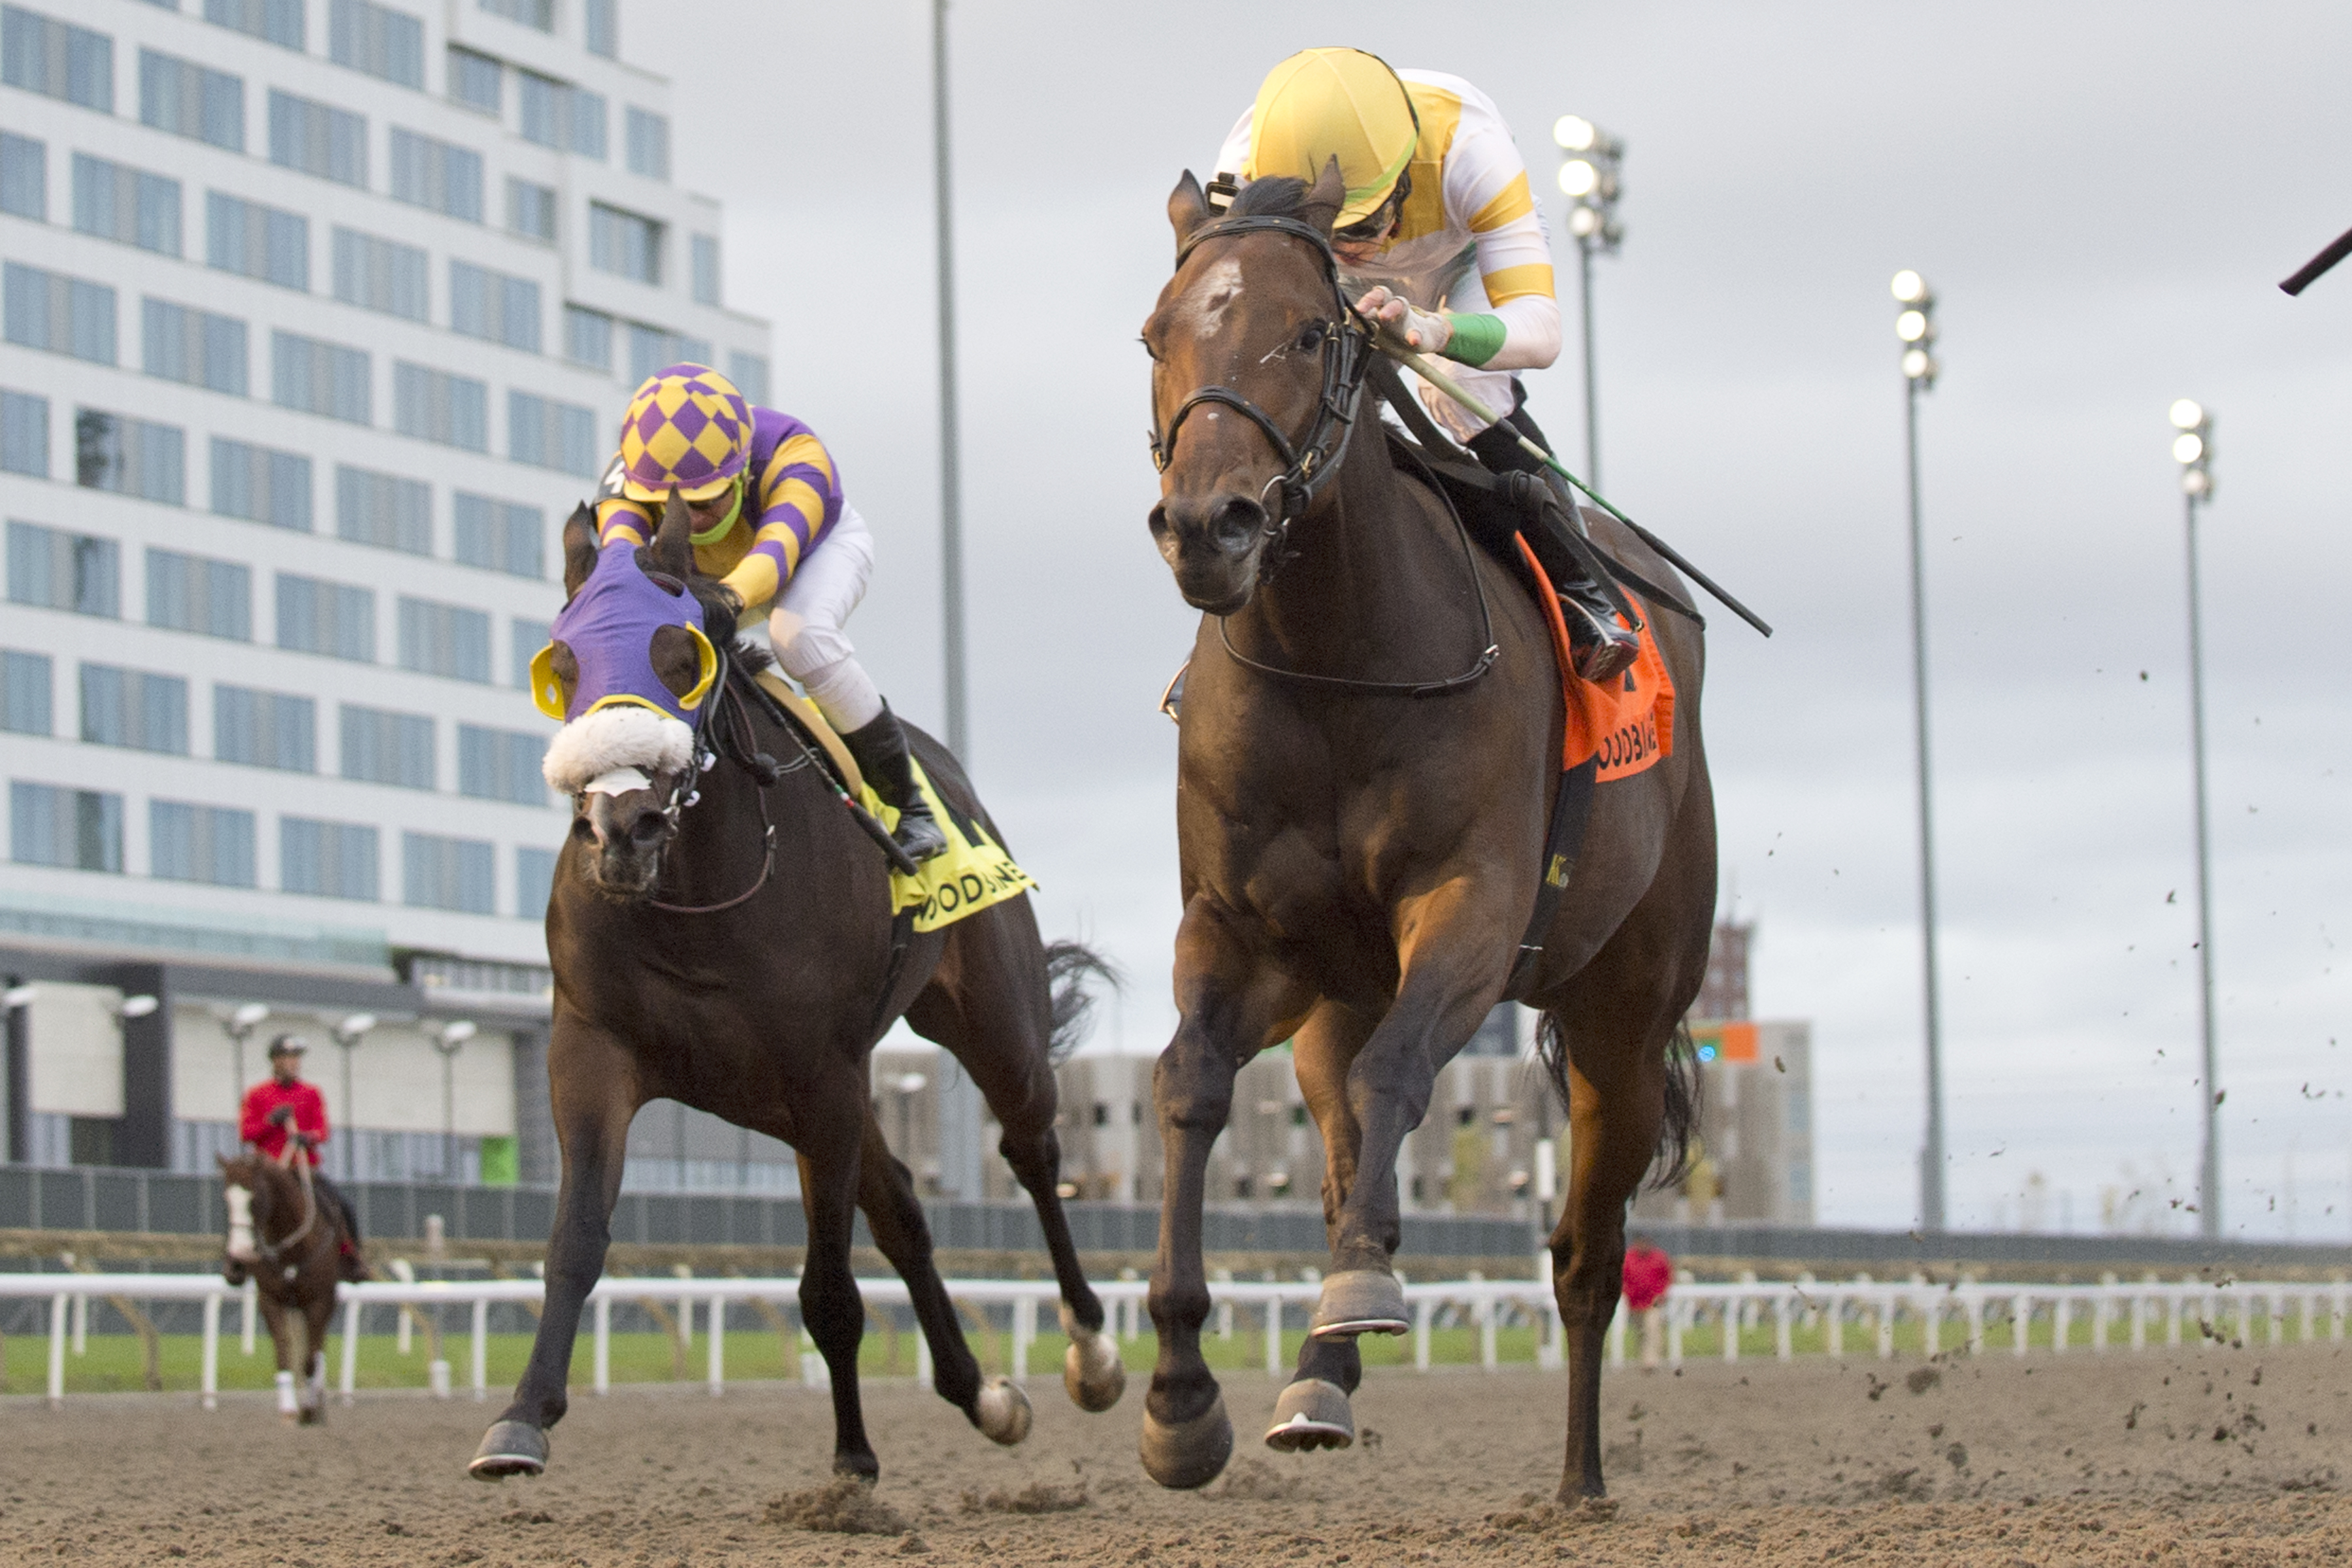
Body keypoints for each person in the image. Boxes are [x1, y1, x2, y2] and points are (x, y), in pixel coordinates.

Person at [1211, 48, 1640, 683]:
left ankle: (1584, 589)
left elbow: (1541, 333)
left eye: (1368, 224)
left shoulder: (1473, 153)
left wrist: (1433, 329)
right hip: (1308, 270)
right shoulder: (1243, 167)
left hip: (1458, 264)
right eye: (1338, 232)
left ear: (1408, 172)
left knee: (1463, 393)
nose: (1358, 254)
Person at [593, 364, 947, 862]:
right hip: (716, 576)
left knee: (798, 635)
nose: (690, 521)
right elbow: (622, 567)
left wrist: (729, 601)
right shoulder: (628, 480)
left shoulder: (797, 457)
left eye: (705, 502)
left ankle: (911, 807)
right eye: (672, 506)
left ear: (739, 472)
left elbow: (777, 551)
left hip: (811, 553)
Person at [238, 1034, 368, 1282]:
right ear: (275, 1061)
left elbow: (323, 1131)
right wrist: (270, 1122)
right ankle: (238, 1259)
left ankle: (352, 1257)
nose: (293, 1064)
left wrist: (306, 1138)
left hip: (303, 1169)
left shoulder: (311, 1093)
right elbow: (247, 1134)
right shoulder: (257, 1094)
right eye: (288, 1058)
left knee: (343, 1206)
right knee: (242, 1208)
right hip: (270, 1172)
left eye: (296, 1058)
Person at [1622, 1233, 1673, 1369]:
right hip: (1635, 1301)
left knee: (1653, 1328)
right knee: (1641, 1331)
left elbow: (1666, 1277)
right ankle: (1644, 1359)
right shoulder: (1628, 1258)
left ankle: (1652, 1360)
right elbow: (1623, 1279)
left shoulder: (1659, 1257)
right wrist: (1627, 1293)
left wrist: (1661, 1294)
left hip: (1653, 1301)